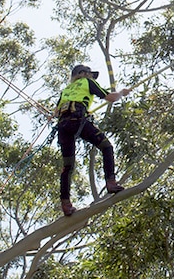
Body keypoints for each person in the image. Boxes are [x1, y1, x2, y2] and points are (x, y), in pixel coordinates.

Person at [54, 64, 131, 216]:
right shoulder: (87, 82)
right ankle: (111, 182)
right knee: (106, 147)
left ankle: (65, 203)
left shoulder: (65, 91)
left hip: (63, 126)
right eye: (90, 74)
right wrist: (122, 92)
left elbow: (56, 112)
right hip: (77, 121)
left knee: (68, 167)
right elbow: (110, 97)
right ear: (83, 74)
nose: (92, 77)